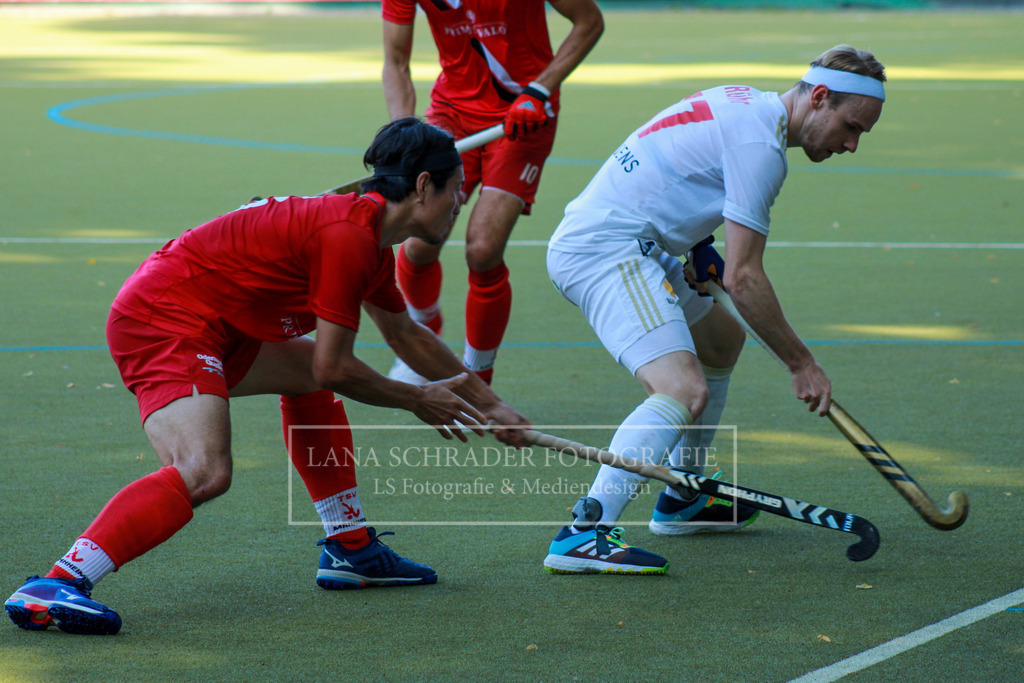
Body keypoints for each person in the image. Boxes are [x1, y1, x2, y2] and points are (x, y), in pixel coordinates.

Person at [5, 118, 530, 635]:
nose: (460, 202)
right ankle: (57, 582)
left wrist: (492, 405)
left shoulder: (371, 240)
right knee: (205, 470)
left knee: (307, 380)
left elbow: (405, 335)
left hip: (226, 323)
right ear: (422, 187)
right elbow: (336, 364)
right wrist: (416, 398)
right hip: (165, 317)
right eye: (456, 189)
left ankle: (351, 548)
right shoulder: (348, 236)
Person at [541, 45, 887, 574]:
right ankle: (584, 532)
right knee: (682, 389)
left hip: (646, 241)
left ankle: (683, 496)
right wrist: (801, 363)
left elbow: (679, 172)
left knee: (722, 339)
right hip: (607, 249)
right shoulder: (762, 149)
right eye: (851, 126)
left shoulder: (747, 102)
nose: (853, 144)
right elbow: (744, 278)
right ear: (819, 97)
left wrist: (699, 244)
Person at [380, 0, 604, 386]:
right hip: (451, 113)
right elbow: (396, 61)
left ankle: (476, 377)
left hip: (524, 113)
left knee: (482, 249)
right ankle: (424, 339)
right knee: (416, 241)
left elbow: (589, 22)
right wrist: (403, 133)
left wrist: (540, 89)